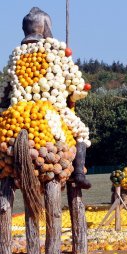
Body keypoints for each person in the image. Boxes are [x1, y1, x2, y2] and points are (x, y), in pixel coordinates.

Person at [0, 7, 91, 188]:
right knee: (81, 132)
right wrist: (75, 93)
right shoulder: (56, 51)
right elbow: (77, 86)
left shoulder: (16, 55)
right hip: (51, 108)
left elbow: (4, 92)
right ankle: (79, 172)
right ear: (45, 27)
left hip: (19, 110)